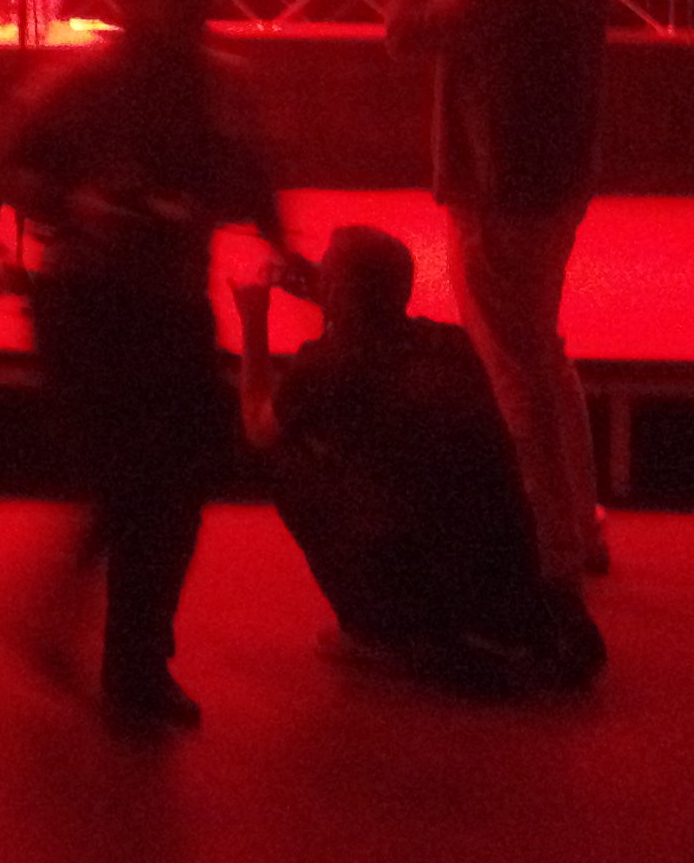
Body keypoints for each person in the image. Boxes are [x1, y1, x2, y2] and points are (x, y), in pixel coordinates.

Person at [0, 0, 287, 732]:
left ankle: (126, 653)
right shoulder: (88, 84)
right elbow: (14, 169)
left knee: (162, 485)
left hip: (151, 301)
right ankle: (133, 661)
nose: (188, 17)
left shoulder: (207, 87)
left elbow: (254, 177)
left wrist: (273, 237)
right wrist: (76, 205)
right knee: (146, 483)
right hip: (93, 301)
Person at [384, 0, 613, 598]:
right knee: (543, 355)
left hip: (500, 192)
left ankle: (550, 557)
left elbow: (404, 32)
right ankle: (578, 525)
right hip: (555, 183)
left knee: (510, 371)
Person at [234, 226, 602, 689]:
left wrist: (253, 320)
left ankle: (375, 630)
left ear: (337, 291)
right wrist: (334, 292)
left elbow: (257, 426)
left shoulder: (324, 366)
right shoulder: (452, 344)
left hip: (431, 595)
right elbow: (373, 324)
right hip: (499, 583)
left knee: (285, 456)